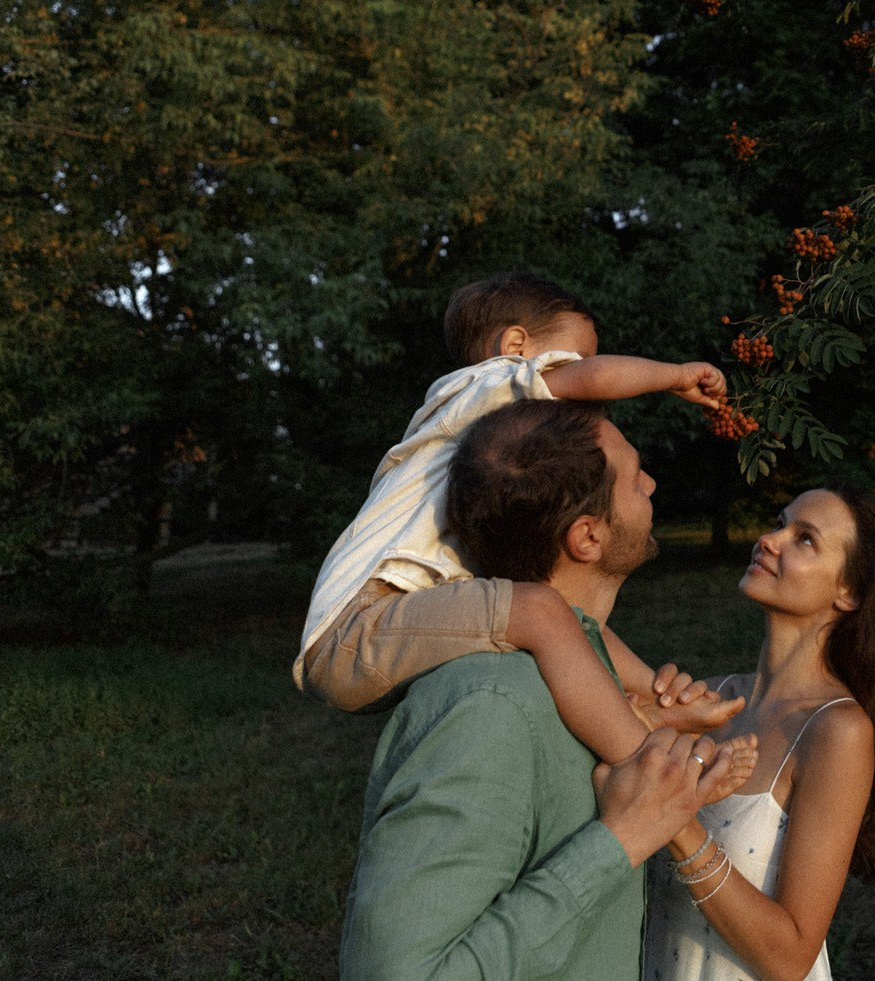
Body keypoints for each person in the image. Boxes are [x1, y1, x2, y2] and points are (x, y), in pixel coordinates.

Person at [340, 397, 759, 980]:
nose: (652, 482)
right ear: (587, 536)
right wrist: (622, 838)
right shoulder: (492, 705)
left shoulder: (592, 684)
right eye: (635, 475)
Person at [296, 272, 735, 764]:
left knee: (554, 609)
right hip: (357, 628)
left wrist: (659, 689)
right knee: (540, 613)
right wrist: (676, 376)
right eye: (574, 357)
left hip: (384, 625)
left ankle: (655, 702)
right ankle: (647, 766)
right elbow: (592, 380)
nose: (580, 374)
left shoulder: (470, 420)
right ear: (515, 345)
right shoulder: (485, 381)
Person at [645, 486, 875, 981]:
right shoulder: (708, 701)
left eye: (805, 540)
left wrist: (678, 825)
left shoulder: (836, 731)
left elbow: (790, 956)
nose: (769, 540)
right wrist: (647, 706)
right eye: (779, 523)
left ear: (849, 591)